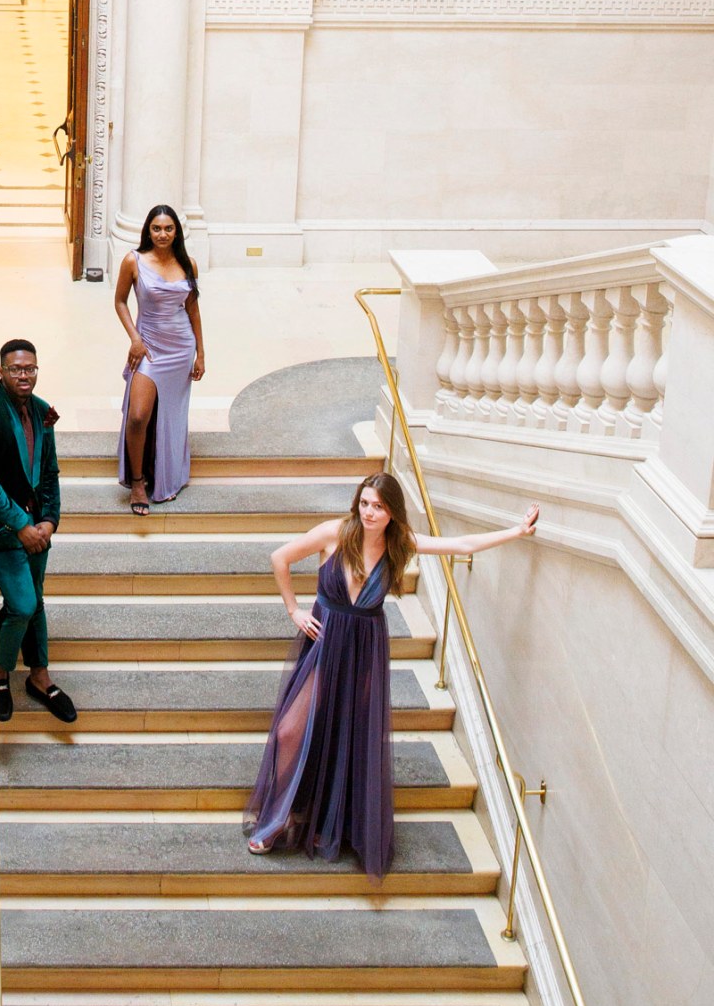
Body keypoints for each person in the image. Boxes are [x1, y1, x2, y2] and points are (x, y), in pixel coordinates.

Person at [245, 472, 539, 877]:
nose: (369, 512)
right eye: (364, 503)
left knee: (347, 733)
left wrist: (516, 531)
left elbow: (462, 544)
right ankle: (275, 819)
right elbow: (280, 558)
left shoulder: (400, 544)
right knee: (291, 731)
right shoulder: (335, 533)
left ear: (392, 513)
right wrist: (294, 609)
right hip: (327, 643)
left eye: (378, 506)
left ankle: (329, 822)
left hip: (364, 648)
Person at [0, 339, 76, 725]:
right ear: (0, 372)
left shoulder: (43, 411)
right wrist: (20, 524)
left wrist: (49, 520)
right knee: (23, 603)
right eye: (15, 369)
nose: (24, 375)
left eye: (30, 369)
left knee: (35, 601)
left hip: (36, 526)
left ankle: (39, 677)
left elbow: (50, 471)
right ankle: (0, 673)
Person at [114, 204, 205, 514]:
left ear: (176, 231)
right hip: (149, 345)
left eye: (168, 228)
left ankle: (166, 473)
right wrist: (135, 339)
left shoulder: (188, 263)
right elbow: (120, 302)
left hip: (181, 348)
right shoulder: (133, 260)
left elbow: (192, 309)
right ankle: (137, 481)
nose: (162, 234)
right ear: (148, 231)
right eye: (156, 228)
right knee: (139, 415)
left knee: (169, 414)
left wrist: (201, 353)